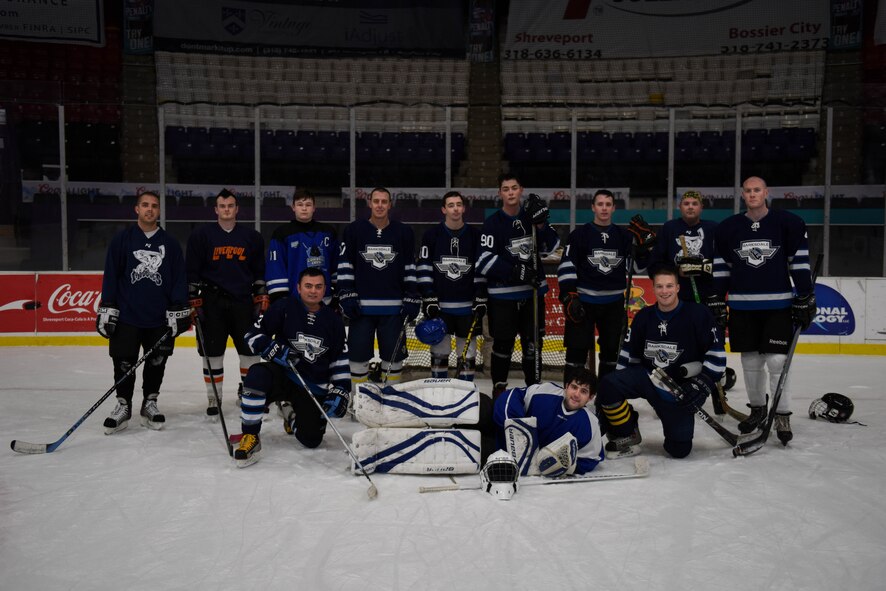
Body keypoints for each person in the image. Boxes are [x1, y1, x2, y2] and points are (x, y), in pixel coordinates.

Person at [713, 176, 815, 444]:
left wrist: (805, 294)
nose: (752, 194)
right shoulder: (728, 228)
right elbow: (722, 267)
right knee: (751, 362)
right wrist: (715, 297)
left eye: (757, 190)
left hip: (778, 305)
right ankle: (757, 409)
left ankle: (782, 414)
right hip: (742, 305)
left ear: (766, 192)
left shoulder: (787, 223)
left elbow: (800, 262)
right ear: (742, 195)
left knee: (777, 362)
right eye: (748, 191)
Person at [596, 263, 726, 458]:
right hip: (649, 378)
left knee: (679, 450)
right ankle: (628, 431)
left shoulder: (698, 314)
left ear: (678, 287)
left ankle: (675, 431)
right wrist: (612, 397)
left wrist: (702, 384)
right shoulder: (643, 316)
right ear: (653, 288)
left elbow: (716, 355)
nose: (664, 291)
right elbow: (628, 353)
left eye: (669, 286)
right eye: (660, 286)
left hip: (677, 390)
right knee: (608, 384)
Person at [234, 268, 350, 467]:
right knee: (257, 375)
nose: (313, 291)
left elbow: (339, 360)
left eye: (318, 286)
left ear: (325, 290)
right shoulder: (283, 307)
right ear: (298, 288)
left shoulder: (334, 321)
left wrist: (342, 390)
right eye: (308, 286)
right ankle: (250, 435)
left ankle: (290, 414)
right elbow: (251, 335)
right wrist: (270, 348)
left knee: (312, 440)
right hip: (284, 374)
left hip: (312, 385)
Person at [96, 190, 190, 434]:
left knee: (157, 362)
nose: (150, 209)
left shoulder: (169, 243)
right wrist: (108, 306)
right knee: (123, 362)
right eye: (145, 205)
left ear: (159, 211)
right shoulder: (122, 240)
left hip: (159, 317)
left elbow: (179, 277)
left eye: (155, 206)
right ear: (136, 209)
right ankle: (123, 405)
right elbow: (111, 276)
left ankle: (150, 402)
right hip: (127, 315)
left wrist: (179, 307)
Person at [556, 189, 656, 386]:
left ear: (614, 208)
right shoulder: (579, 235)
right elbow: (567, 266)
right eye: (600, 204)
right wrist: (569, 296)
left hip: (614, 304)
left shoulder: (624, 236)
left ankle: (606, 399)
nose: (604, 208)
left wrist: (644, 249)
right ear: (593, 207)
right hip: (583, 302)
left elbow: (636, 267)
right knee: (576, 353)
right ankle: (570, 396)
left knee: (612, 355)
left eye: (608, 204)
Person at [186, 188, 267, 417]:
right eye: (222, 206)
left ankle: (249, 393)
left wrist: (260, 296)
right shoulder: (201, 236)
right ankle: (215, 396)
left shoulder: (252, 237)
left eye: (230, 206)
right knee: (212, 352)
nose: (226, 210)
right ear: (216, 209)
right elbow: (191, 271)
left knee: (249, 352)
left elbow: (259, 270)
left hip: (243, 300)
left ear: (236, 209)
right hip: (212, 301)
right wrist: (194, 301)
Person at [476, 173, 559, 397]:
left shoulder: (531, 218)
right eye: (506, 189)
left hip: (532, 294)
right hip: (503, 297)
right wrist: (514, 271)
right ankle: (499, 390)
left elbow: (549, 248)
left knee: (534, 345)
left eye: (514, 188)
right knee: (502, 345)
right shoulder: (493, 223)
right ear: (500, 193)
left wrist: (541, 224)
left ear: (521, 190)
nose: (511, 192)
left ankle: (534, 391)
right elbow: (483, 261)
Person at [336, 187, 420, 387]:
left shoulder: (404, 232)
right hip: (361, 308)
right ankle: (358, 401)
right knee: (357, 357)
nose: (380, 205)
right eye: (376, 201)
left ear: (390, 204)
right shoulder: (354, 230)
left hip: (394, 309)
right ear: (369, 203)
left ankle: (390, 398)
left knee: (393, 358)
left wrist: (412, 294)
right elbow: (345, 264)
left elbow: (409, 266)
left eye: (384, 201)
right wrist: (346, 293)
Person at [416, 190, 486, 381]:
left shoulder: (475, 236)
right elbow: (423, 267)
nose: (455, 209)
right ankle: (439, 392)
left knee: (468, 352)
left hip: (467, 308)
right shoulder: (431, 236)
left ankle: (463, 395)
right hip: (440, 309)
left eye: (458, 205)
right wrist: (428, 294)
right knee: (439, 350)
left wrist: (480, 294)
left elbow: (481, 268)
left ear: (463, 208)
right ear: (443, 209)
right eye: (451, 205)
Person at [492, 367, 603, 475]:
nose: (576, 394)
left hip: (499, 457)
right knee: (481, 407)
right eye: (574, 387)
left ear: (590, 397)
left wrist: (565, 465)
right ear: (566, 386)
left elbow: (591, 459)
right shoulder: (545, 392)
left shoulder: (591, 424)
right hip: (500, 442)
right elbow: (509, 397)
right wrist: (516, 427)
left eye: (583, 391)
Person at [265, 188, 338, 304]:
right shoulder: (282, 234)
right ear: (293, 207)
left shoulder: (328, 232)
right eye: (300, 204)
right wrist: (281, 298)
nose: (304, 208)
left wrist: (336, 291)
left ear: (314, 208)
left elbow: (335, 264)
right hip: (294, 300)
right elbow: (276, 267)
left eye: (308, 205)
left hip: (324, 300)